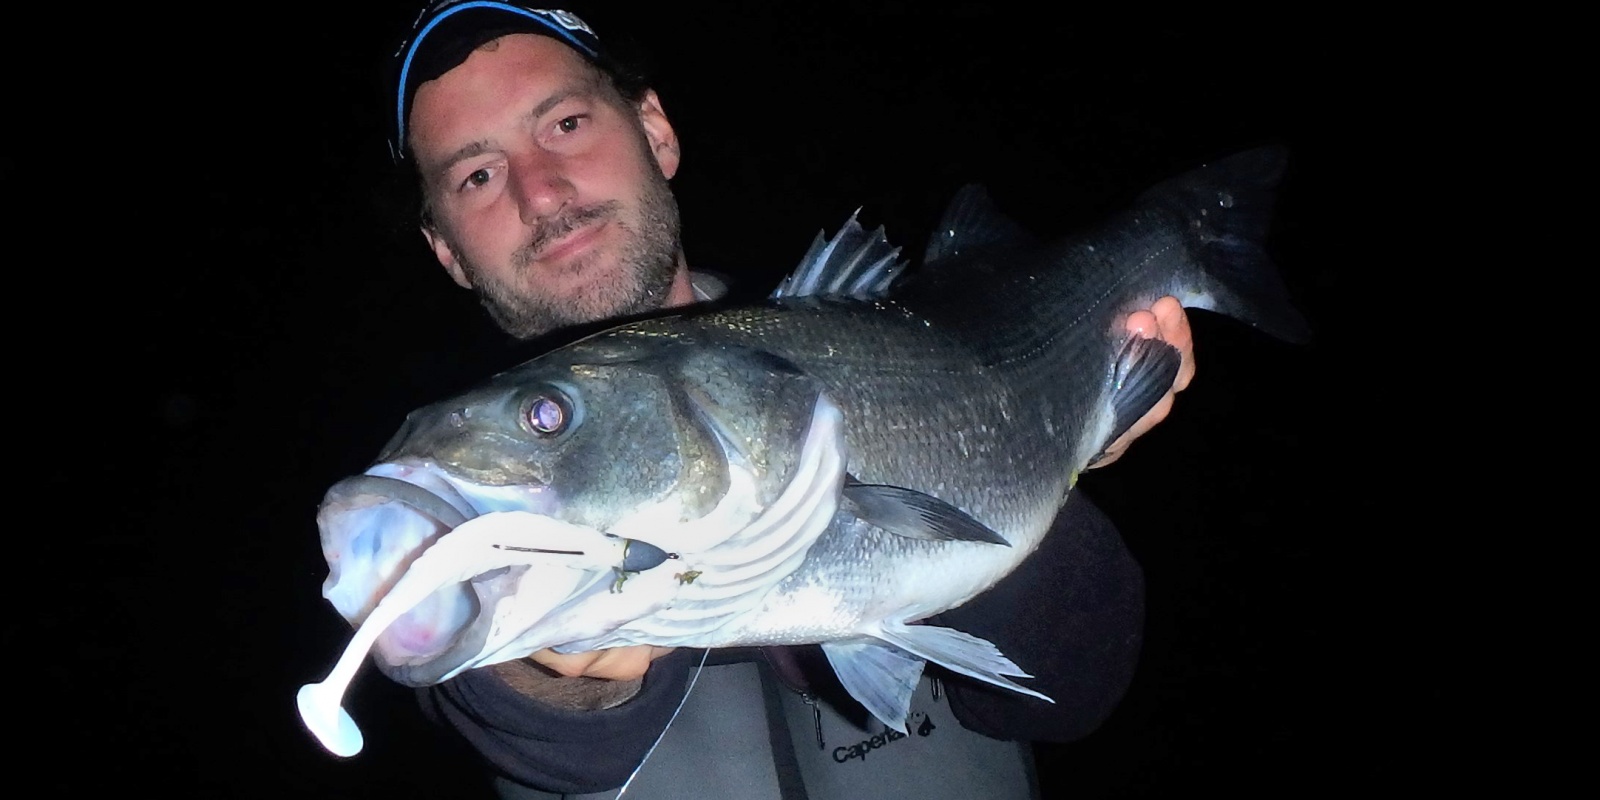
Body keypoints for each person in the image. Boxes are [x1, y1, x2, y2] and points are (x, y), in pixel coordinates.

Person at [381, 3, 1194, 797]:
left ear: (655, 131)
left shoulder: (865, 351)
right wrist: (546, 674)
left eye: (564, 124)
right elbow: (549, 749)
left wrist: (1067, 435)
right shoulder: (461, 502)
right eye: (478, 174)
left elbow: (1080, 685)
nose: (542, 192)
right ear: (448, 251)